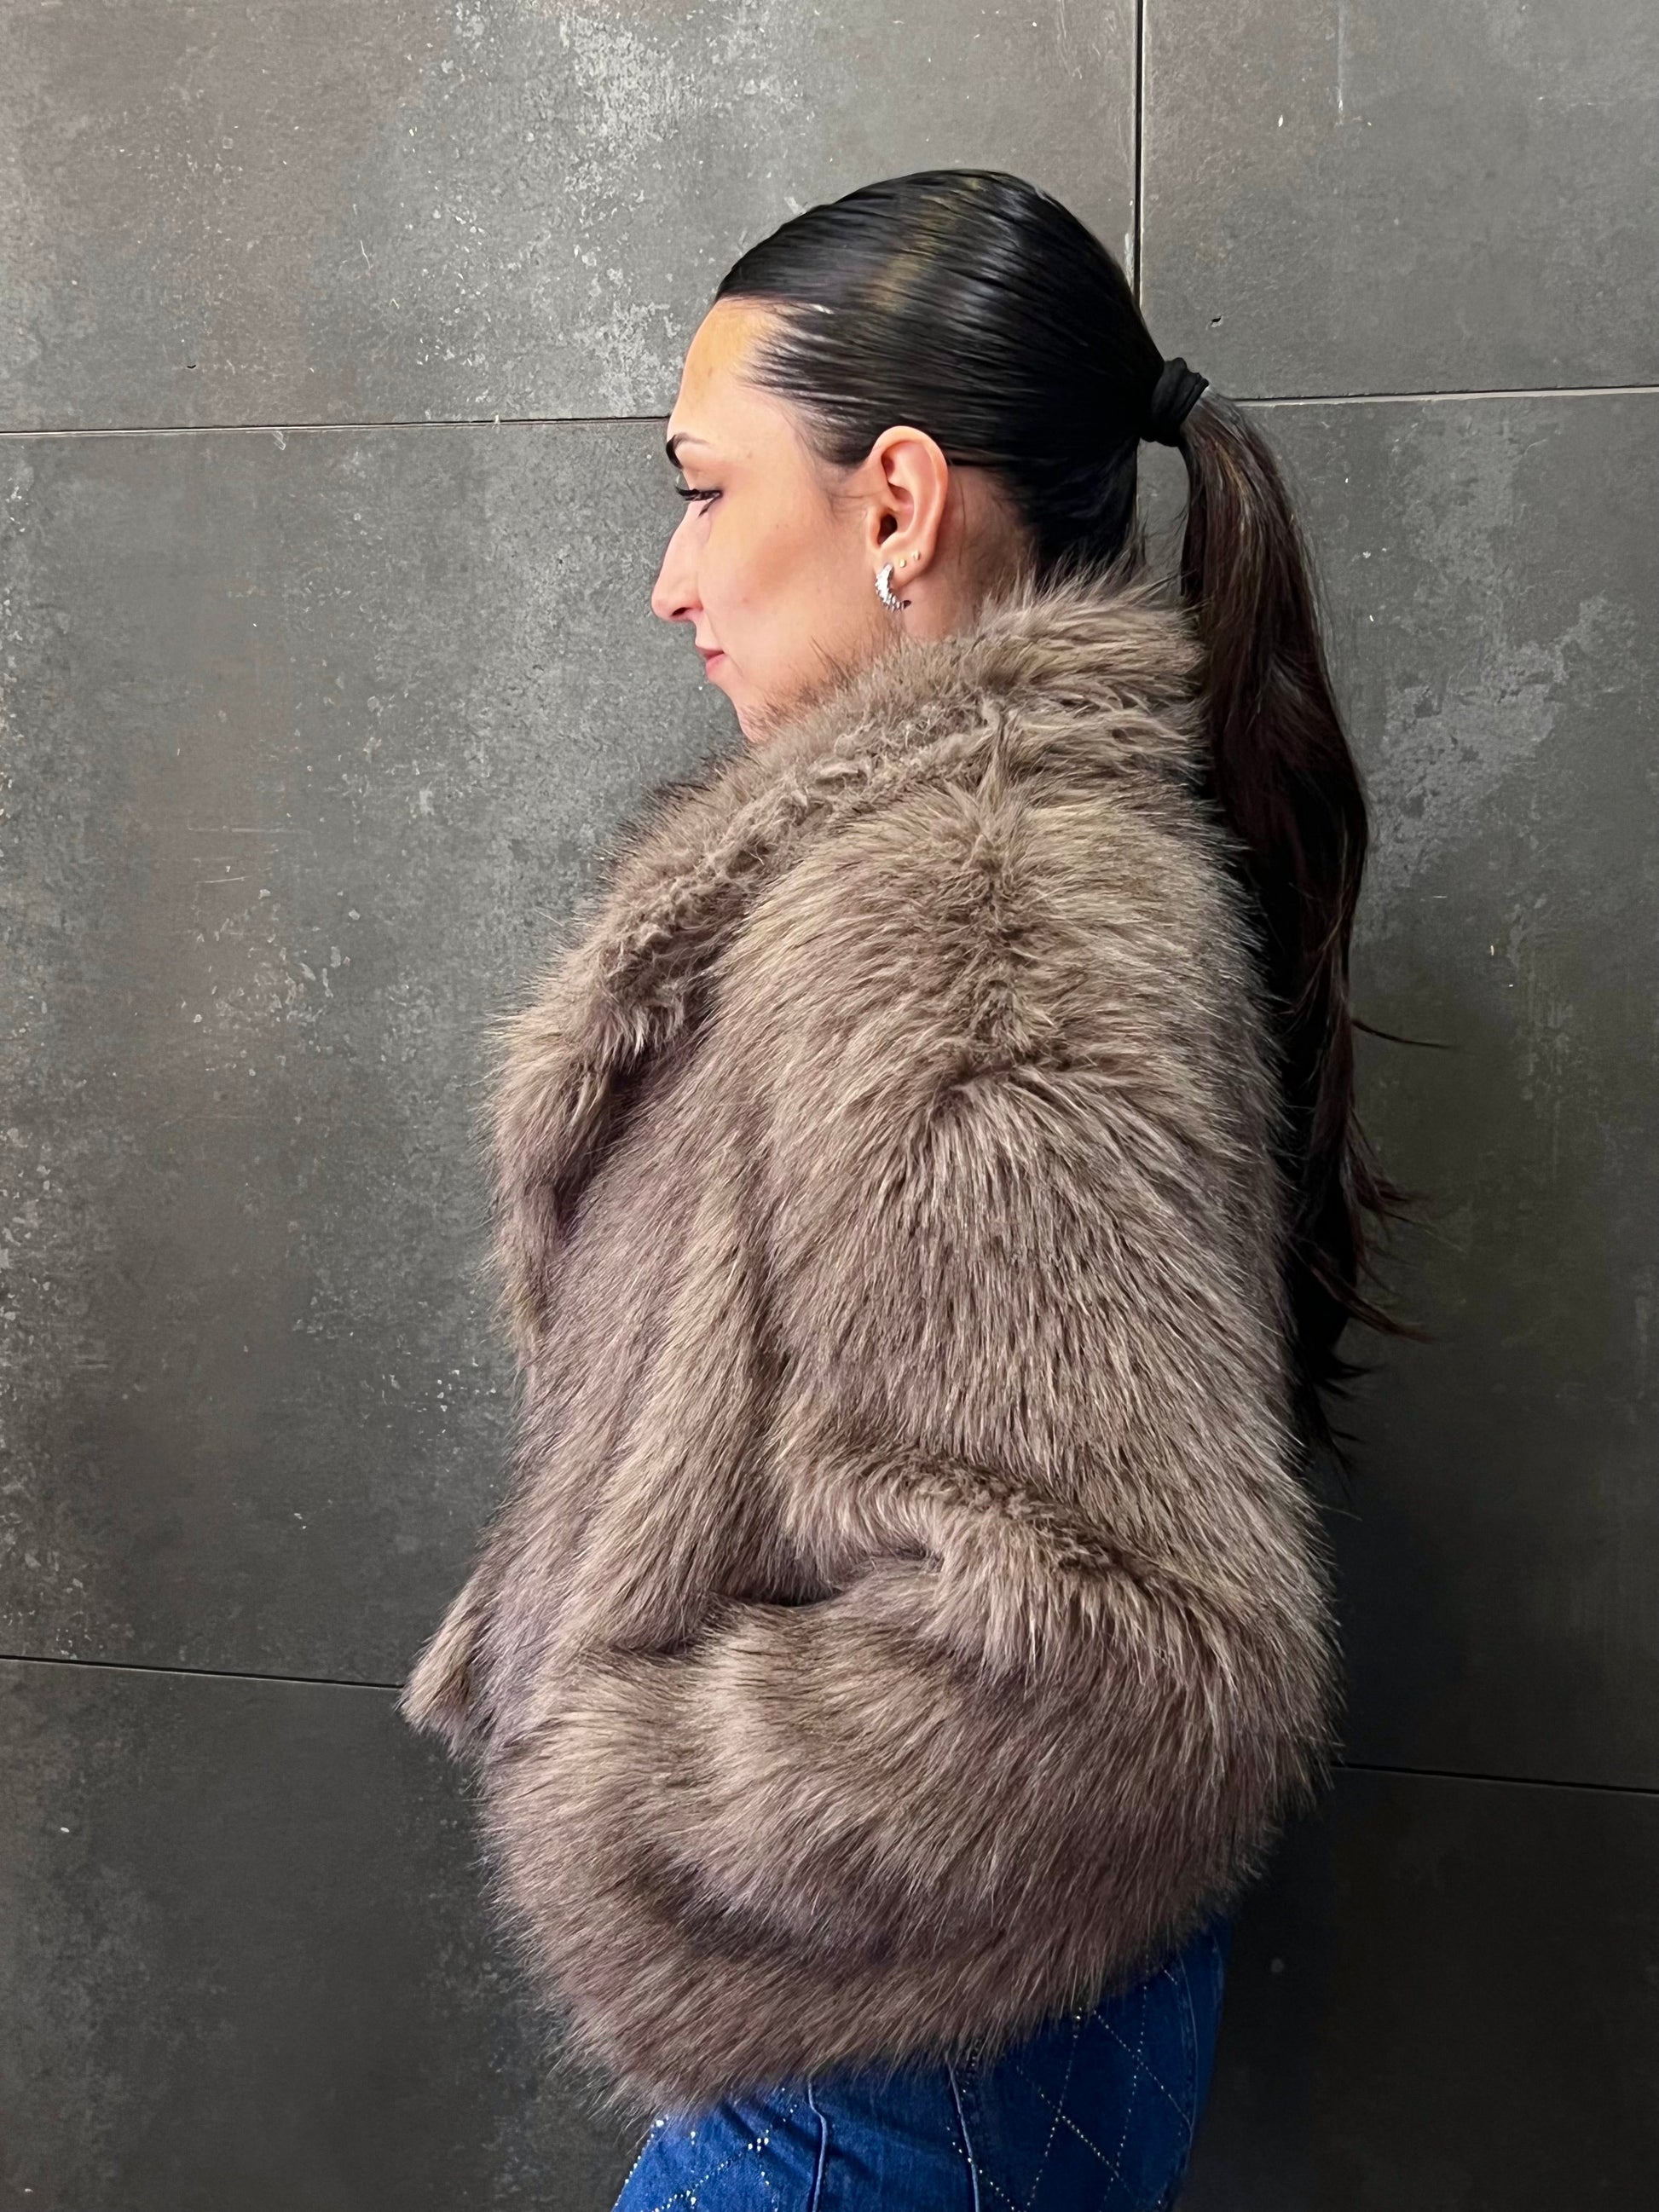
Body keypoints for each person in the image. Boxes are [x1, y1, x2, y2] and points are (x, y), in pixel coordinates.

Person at [400, 170, 1399, 2209]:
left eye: (704, 490)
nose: (670, 580)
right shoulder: (958, 874)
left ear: (897, 505)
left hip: (901, 2074)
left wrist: (626, 1798)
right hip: (949, 2037)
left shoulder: (970, 918)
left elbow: (1117, 1662)